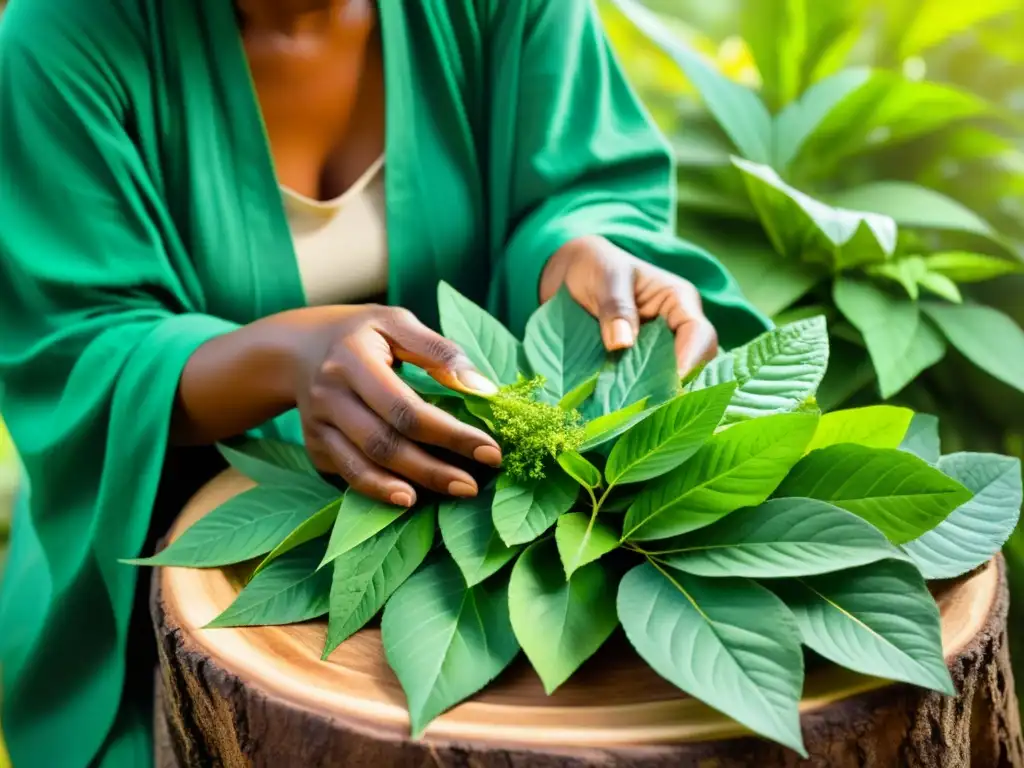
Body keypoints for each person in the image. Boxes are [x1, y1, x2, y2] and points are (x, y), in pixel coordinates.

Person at [0, 0, 767, 765]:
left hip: (480, 501)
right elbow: (78, 342)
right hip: (182, 557)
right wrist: (285, 360)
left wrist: (579, 252)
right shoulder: (62, 36)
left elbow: (580, 182)